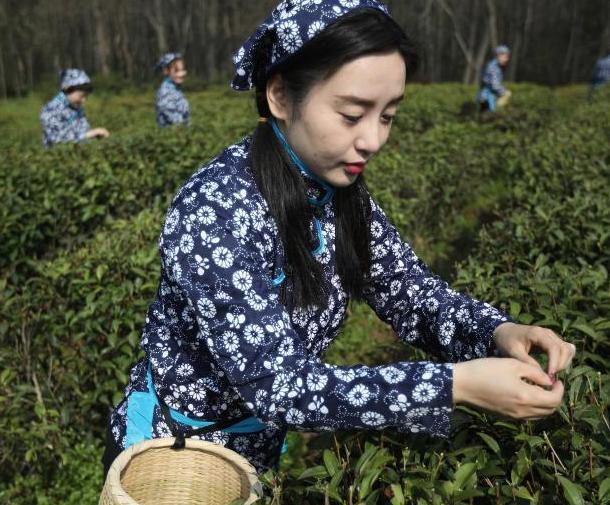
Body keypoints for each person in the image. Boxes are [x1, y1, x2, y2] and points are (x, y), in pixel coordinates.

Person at [104, 0, 575, 475]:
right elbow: (281, 385)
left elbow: (407, 291)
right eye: (352, 115)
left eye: (388, 116)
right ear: (281, 97)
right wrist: (454, 385)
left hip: (255, 452)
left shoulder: (338, 192)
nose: (373, 140)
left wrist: (497, 332)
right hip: (172, 460)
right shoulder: (214, 212)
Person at [40, 69, 109, 148]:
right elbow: (56, 139)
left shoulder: (76, 107)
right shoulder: (51, 110)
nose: (84, 100)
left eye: (86, 97)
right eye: (81, 96)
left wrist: (96, 136)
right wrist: (88, 135)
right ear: (68, 89)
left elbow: (84, 130)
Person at [155, 52, 191, 127]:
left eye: (183, 70)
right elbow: (172, 117)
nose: (181, 74)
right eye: (176, 71)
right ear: (166, 71)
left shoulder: (176, 89)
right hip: (170, 135)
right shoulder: (165, 92)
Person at [478, 45, 512, 112]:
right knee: (491, 116)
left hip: (485, 96)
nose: (506, 59)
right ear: (498, 56)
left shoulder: (494, 66)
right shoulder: (494, 68)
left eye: (507, 57)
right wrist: (504, 92)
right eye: (505, 57)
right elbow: (495, 86)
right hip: (487, 97)